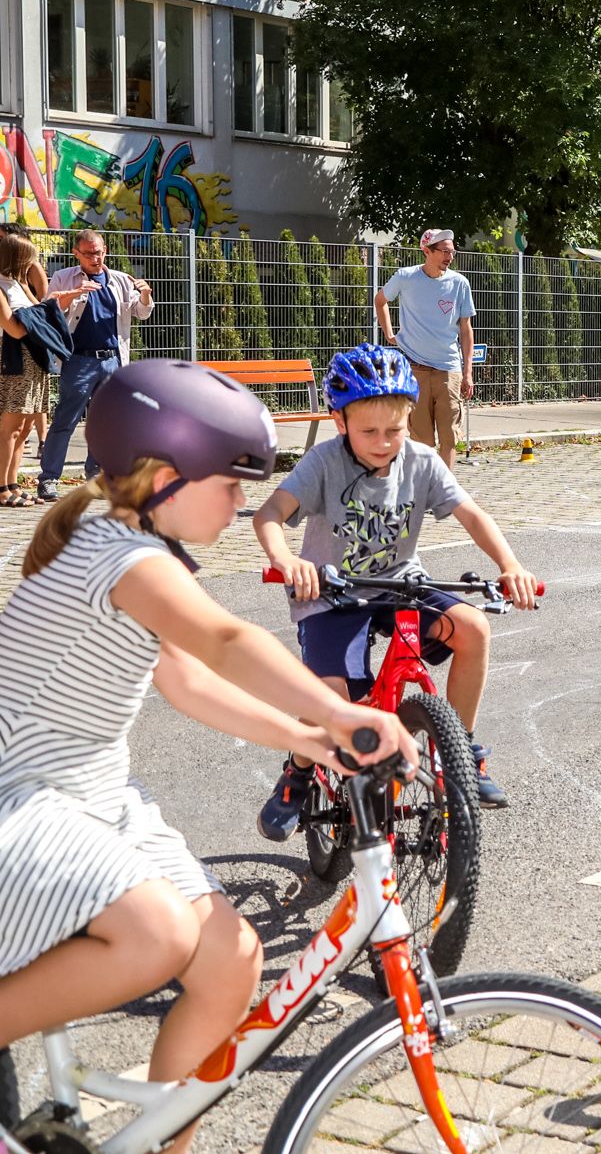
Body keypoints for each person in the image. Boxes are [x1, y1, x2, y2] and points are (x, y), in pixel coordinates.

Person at [0, 361, 414, 1154]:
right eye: (230, 483)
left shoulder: (139, 545)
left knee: (232, 959)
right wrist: (336, 708)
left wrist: (309, 738)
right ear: (161, 477)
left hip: (94, 789)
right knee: (154, 933)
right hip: (23, 794)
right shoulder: (117, 555)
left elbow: (185, 681)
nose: (241, 500)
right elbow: (225, 642)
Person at [252, 344, 539, 834]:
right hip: (333, 594)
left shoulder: (422, 460)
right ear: (340, 422)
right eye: (369, 432)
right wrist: (287, 560)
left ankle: (460, 750)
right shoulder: (323, 462)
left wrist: (510, 565)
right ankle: (298, 773)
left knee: (472, 628)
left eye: (395, 430)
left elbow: (473, 514)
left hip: (401, 585)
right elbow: (269, 515)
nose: (384, 442)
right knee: (331, 697)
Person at [38, 230, 153, 501]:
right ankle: (49, 479)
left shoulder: (121, 280)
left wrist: (146, 295)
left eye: (99, 252)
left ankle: (97, 475)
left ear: (106, 251)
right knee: (66, 420)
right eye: (88, 253)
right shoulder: (63, 277)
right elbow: (48, 311)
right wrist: (75, 292)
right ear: (76, 253)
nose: (95, 258)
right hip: (78, 360)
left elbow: (142, 313)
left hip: (113, 360)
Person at [375, 228, 476, 468]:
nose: (449, 257)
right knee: (422, 440)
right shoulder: (405, 277)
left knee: (449, 437)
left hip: (449, 371)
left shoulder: (460, 283)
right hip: (415, 370)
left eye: (452, 252)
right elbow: (380, 301)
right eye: (444, 252)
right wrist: (389, 334)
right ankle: (422, 490)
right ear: (426, 251)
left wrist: (468, 372)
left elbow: (466, 329)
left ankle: (445, 495)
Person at [0, 229, 52, 507]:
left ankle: (13, 483)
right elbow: (15, 329)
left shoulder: (18, 284)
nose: (34, 264)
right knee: (11, 425)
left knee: (25, 425)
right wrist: (38, 320)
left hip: (32, 358)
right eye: (30, 258)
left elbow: (42, 309)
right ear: (18, 257)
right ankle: (2, 488)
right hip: (12, 356)